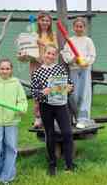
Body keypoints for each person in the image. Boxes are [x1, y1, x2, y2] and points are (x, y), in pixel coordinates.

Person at [31, 45, 75, 176]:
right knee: (50, 135)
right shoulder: (37, 73)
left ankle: (69, 164)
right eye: (48, 53)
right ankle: (52, 165)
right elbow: (34, 93)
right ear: (43, 54)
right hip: (46, 106)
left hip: (61, 105)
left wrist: (69, 88)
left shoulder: (60, 68)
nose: (50, 56)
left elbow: (71, 85)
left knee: (67, 133)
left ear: (56, 56)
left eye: (53, 54)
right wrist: (42, 92)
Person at [18, 12, 58, 128]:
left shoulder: (53, 35)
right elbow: (25, 51)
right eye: (42, 20)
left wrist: (42, 44)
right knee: (37, 92)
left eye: (47, 20)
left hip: (50, 67)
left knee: (52, 91)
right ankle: (38, 117)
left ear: (50, 22)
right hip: (35, 65)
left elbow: (55, 49)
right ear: (38, 22)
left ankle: (53, 117)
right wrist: (23, 53)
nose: (45, 22)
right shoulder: (32, 34)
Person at [61, 17, 96, 129]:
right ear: (73, 27)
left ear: (84, 28)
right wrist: (73, 59)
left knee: (84, 94)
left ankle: (83, 119)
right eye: (77, 26)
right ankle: (73, 116)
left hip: (84, 70)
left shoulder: (88, 41)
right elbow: (65, 53)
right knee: (73, 94)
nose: (79, 28)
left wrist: (86, 62)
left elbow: (92, 55)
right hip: (74, 69)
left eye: (81, 26)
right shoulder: (70, 41)